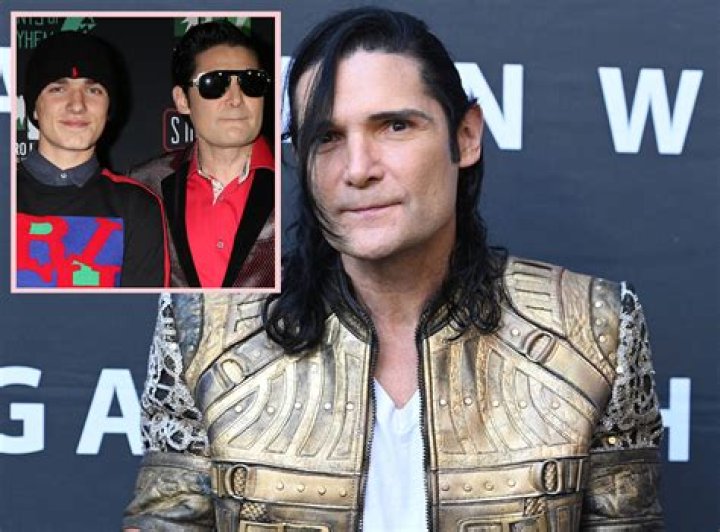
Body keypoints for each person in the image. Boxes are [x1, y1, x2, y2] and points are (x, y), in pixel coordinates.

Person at [124, 8, 664, 531]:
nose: (358, 169)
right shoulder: (205, 326)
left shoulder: (594, 327)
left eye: (395, 126)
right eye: (327, 137)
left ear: (465, 136)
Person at [16, 31, 168, 288]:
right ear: (34, 107)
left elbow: (142, 310)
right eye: (58, 89)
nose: (77, 105)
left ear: (108, 109)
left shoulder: (137, 206)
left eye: (93, 90)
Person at [130, 21, 276, 288]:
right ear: (182, 100)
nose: (236, 99)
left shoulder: (297, 182)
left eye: (251, 82)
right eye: (214, 83)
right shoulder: (145, 186)